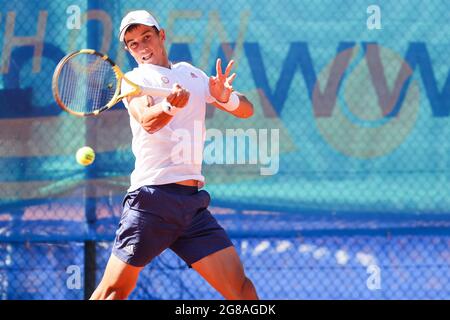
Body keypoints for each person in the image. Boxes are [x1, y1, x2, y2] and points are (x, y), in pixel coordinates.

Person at [90, 10, 258, 300]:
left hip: (192, 207)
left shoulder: (190, 74)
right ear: (128, 50)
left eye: (146, 37)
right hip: (152, 202)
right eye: (133, 43)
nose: (142, 47)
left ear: (161, 35)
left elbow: (247, 110)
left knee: (241, 290)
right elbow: (147, 120)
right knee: (113, 292)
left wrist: (224, 97)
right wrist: (169, 106)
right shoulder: (133, 80)